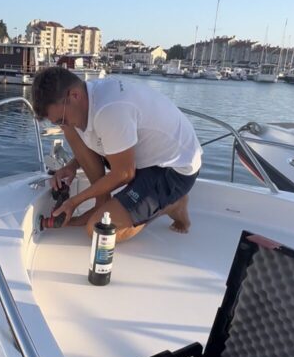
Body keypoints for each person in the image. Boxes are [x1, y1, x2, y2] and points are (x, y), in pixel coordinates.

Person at [31, 66, 202, 242]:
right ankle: (102, 202)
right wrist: (72, 166)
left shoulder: (110, 109)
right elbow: (103, 142)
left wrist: (74, 202)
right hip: (141, 156)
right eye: (57, 123)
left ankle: (172, 204)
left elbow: (124, 174)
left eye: (62, 119)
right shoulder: (88, 97)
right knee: (70, 128)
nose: (63, 124)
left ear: (74, 95)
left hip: (172, 168)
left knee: (99, 230)